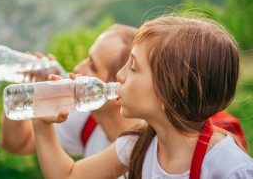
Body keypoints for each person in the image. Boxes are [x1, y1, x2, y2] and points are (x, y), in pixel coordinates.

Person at [31, 14, 253, 179]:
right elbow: (69, 175)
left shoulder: (230, 168)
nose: (119, 75)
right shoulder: (137, 143)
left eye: (134, 68)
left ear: (175, 91)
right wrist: (41, 123)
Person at [0, 24, 141, 158]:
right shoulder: (87, 121)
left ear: (118, 91)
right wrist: (24, 85)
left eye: (92, 65)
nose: (78, 68)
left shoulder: (144, 152)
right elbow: (17, 144)